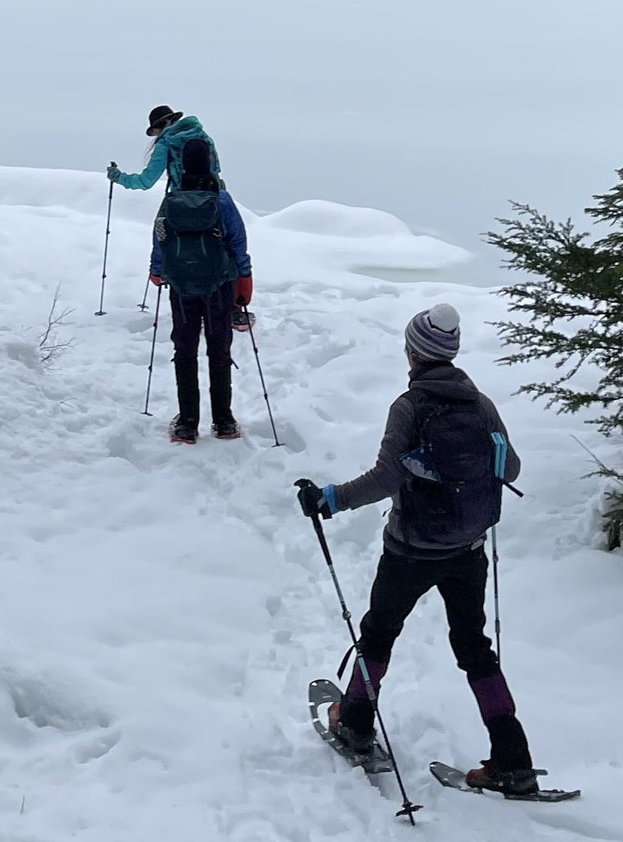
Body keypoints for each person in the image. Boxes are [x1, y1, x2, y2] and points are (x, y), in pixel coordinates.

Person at [294, 303, 541, 795]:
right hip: (468, 550)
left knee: (379, 634)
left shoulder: (409, 407)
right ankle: (514, 760)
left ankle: (357, 723)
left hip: (411, 550)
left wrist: (330, 500)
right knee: (475, 649)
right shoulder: (482, 404)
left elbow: (387, 476)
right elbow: (509, 469)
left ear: (414, 353)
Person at [151, 137, 252, 443]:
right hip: (219, 285)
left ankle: (187, 422)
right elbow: (237, 239)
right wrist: (244, 277)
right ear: (209, 161)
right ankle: (224, 421)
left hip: (182, 286)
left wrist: (157, 270)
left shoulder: (173, 198)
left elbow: (160, 235)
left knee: (185, 350)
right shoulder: (220, 199)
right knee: (219, 349)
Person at [109, 105, 219, 192]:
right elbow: (215, 169)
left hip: (184, 204)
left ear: (165, 123)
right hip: (214, 199)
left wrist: (119, 177)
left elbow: (146, 181)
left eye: (154, 130)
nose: (155, 134)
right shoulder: (203, 136)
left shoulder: (165, 144)